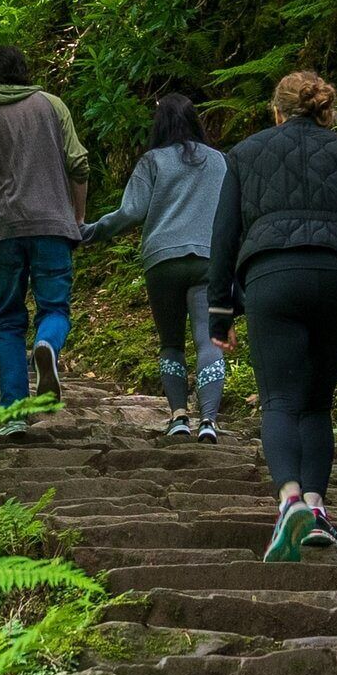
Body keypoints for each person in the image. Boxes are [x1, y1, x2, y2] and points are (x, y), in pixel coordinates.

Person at [208, 69, 337, 559]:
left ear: (276, 112)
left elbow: (224, 237)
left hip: (274, 277)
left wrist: (220, 310)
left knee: (280, 398)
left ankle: (291, 501)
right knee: (317, 402)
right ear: (326, 111)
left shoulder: (246, 154)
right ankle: (318, 511)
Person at [82, 84, 230, 439]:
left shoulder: (152, 161)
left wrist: (90, 232)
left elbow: (131, 211)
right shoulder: (219, 161)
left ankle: (179, 416)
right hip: (208, 259)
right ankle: (209, 421)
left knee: (171, 343)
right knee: (207, 341)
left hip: (162, 262)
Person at [0, 42, 88, 410]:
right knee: (56, 309)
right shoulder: (51, 104)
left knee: (9, 320)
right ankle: (46, 344)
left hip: (3, 228)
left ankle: (13, 409)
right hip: (53, 225)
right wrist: (76, 217)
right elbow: (79, 164)